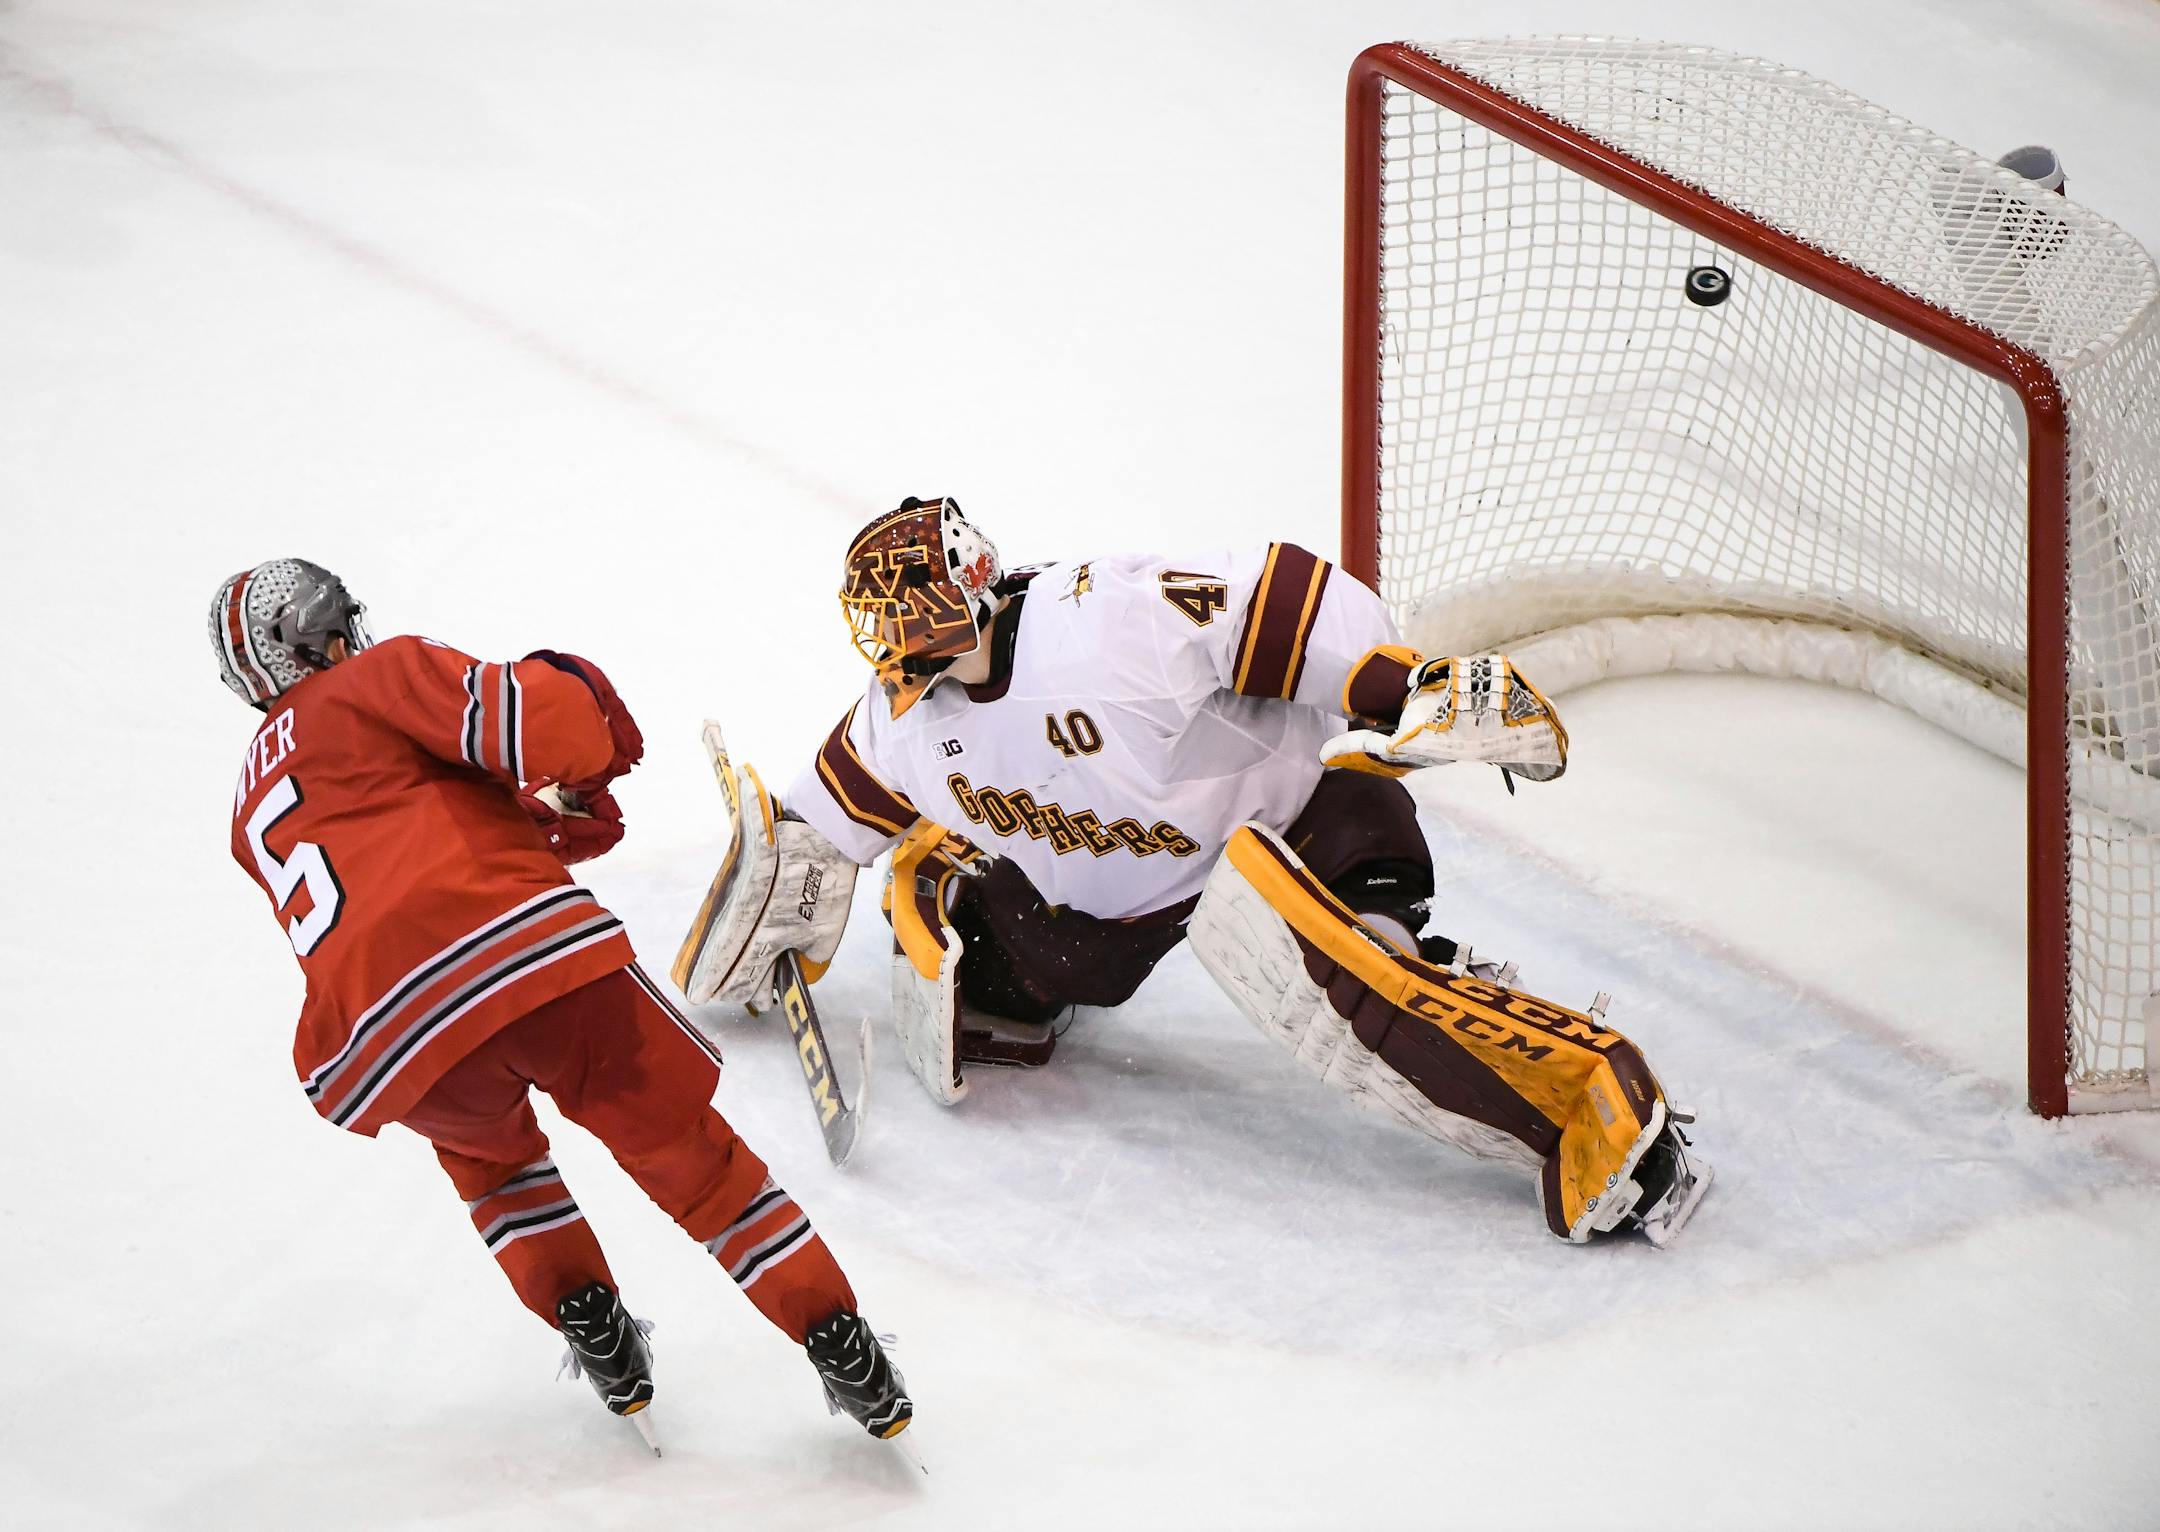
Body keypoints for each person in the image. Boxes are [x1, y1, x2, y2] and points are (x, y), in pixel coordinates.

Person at [678, 499, 1711, 1248]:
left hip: (1301, 827)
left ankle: (1587, 1100)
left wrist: (1400, 684)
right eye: (885, 627)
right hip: (1104, 922)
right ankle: (959, 897)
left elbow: (1282, 599)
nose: (893, 647)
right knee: (993, 989)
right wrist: (772, 891)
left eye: (907, 617)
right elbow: (823, 820)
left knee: (1353, 982)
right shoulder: (900, 725)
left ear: (967, 589)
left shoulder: (1106, 619)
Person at [213, 559, 909, 1451]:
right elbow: (540, 719)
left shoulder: (246, 802)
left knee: (495, 1171)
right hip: (529, 960)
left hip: (388, 1035)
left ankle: (583, 1311)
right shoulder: (374, 680)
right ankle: (832, 1334)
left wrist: (543, 816)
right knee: (686, 1156)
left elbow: (390, 861)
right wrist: (589, 719)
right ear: (326, 635)